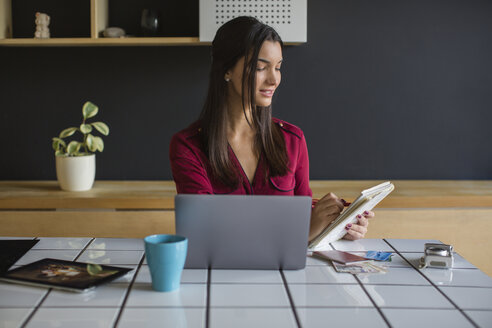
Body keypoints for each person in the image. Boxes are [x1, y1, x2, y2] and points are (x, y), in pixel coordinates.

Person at [169, 16, 374, 242]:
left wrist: (336, 227)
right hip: (219, 274)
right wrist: (303, 234)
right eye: (260, 67)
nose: (274, 79)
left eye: (278, 67)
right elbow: (203, 232)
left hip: (287, 273)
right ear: (226, 70)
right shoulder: (188, 146)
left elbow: (302, 215)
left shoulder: (292, 139)